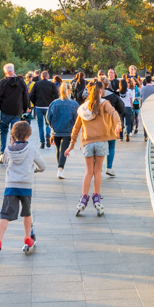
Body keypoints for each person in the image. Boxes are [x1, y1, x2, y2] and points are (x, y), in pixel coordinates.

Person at [0, 121, 44, 258]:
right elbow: (42, 166)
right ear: (28, 136)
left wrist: (11, 145)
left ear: (13, 136)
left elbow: (4, 161)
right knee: (27, 212)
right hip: (26, 185)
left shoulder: (8, 149)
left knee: (5, 214)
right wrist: (34, 170)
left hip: (11, 186)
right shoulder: (31, 149)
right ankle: (27, 237)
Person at [68, 81, 121, 216]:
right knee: (97, 171)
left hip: (87, 142)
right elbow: (114, 113)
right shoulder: (105, 104)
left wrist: (71, 145)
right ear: (101, 91)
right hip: (101, 141)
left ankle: (83, 198)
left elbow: (76, 128)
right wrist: (118, 125)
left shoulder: (83, 108)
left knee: (88, 172)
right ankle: (96, 198)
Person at [0, 64, 30, 157]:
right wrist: (25, 108)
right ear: (13, 71)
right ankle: (13, 152)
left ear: (5, 72)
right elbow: (25, 96)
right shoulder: (21, 82)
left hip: (5, 110)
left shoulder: (3, 82)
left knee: (3, 132)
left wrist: (0, 106)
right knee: (15, 133)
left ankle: (2, 153)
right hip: (17, 111)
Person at [46, 87, 78, 180]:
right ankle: (60, 169)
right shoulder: (74, 104)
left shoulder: (54, 103)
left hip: (56, 130)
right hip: (68, 130)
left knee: (58, 149)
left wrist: (51, 125)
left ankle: (60, 168)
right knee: (64, 149)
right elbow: (77, 119)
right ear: (69, 91)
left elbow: (48, 117)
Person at [100, 82, 128, 179]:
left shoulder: (94, 97)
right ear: (108, 85)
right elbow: (121, 109)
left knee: (100, 147)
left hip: (99, 126)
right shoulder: (113, 96)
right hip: (111, 124)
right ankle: (109, 167)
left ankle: (98, 168)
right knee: (111, 146)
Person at [27, 69, 57, 150]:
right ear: (48, 76)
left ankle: (42, 142)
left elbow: (31, 95)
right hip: (48, 107)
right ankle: (48, 135)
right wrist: (52, 103)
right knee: (48, 123)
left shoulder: (37, 84)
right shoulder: (51, 84)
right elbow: (56, 95)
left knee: (40, 125)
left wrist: (35, 103)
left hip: (39, 106)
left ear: (41, 77)